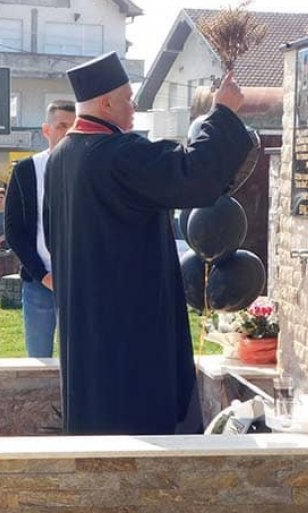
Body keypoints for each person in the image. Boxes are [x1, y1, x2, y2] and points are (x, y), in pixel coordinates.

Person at [45, 52, 253, 435]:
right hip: (128, 324)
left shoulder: (61, 157)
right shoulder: (117, 155)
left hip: (85, 321)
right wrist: (221, 114)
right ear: (105, 103)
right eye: (127, 98)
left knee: (95, 421)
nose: (134, 105)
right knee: (135, 424)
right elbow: (193, 176)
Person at [5, 100, 76, 357]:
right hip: (39, 280)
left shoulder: (91, 169)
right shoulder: (26, 170)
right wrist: (42, 275)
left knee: (80, 358)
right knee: (38, 360)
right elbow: (14, 230)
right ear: (47, 130)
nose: (68, 133)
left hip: (80, 282)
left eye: (74, 127)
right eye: (61, 126)